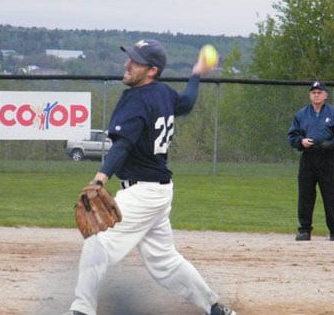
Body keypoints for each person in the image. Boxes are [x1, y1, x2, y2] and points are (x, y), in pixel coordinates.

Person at [65, 39, 236, 315]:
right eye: (129, 58)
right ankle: (215, 308)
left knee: (97, 244)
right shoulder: (164, 93)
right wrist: (195, 73)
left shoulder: (136, 100)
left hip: (142, 192)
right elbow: (188, 101)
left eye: (135, 61)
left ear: (152, 70)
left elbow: (122, 145)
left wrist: (100, 178)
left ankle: (81, 310)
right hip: (159, 190)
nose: (127, 64)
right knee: (165, 262)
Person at [287, 81, 334, 242]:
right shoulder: (301, 114)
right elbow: (292, 136)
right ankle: (304, 230)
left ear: (325, 95)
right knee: (306, 195)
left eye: (319, 92)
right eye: (313, 92)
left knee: (330, 195)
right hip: (308, 157)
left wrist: (332, 144)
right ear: (310, 95)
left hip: (328, 159)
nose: (316, 95)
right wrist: (301, 142)